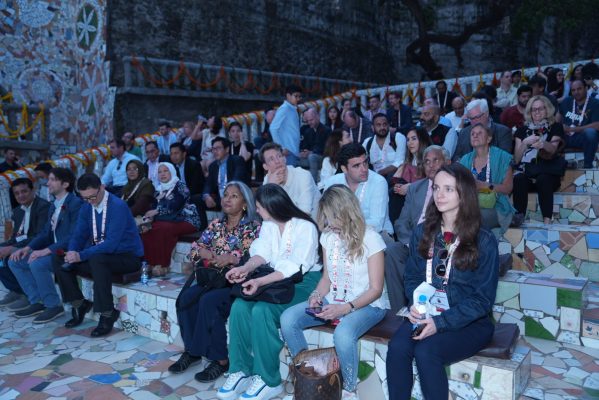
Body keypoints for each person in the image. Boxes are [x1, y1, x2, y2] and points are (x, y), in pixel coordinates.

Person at [386, 163, 499, 400]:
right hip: (429, 311)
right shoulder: (423, 231)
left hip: (470, 321)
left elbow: (482, 300)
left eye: (448, 189)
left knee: (427, 352)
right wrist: (417, 306)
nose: (439, 194)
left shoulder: (484, 240)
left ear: (463, 193)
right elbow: (413, 276)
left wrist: (441, 323)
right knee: (397, 348)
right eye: (436, 187)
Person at [280, 185, 388, 400]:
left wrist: (345, 309)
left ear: (346, 212)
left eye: (331, 218)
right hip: (336, 298)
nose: (328, 224)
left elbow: (376, 289)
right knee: (288, 318)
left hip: (368, 305)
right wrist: (316, 296)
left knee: (344, 334)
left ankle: (349, 389)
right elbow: (327, 279)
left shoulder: (371, 238)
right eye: (325, 218)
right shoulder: (328, 238)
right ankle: (308, 374)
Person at [216, 184, 322, 400]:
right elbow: (261, 252)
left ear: (273, 207)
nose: (258, 212)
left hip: (304, 284)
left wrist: (260, 281)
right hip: (275, 281)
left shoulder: (305, 226)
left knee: (262, 310)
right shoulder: (269, 224)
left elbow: (296, 266)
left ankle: (268, 380)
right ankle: (240, 370)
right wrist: (244, 268)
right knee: (239, 306)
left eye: (260, 208)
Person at [169, 181, 261, 382]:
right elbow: (195, 249)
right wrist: (205, 253)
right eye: (226, 195)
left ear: (245, 203)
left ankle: (220, 360)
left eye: (234, 196)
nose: (227, 199)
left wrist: (229, 258)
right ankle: (193, 351)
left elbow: (248, 257)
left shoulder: (252, 227)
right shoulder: (216, 225)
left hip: (237, 284)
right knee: (186, 299)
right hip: (211, 279)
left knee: (209, 302)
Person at [54, 173, 144, 337]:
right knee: (59, 257)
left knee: (97, 258)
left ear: (102, 187)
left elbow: (111, 244)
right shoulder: (86, 207)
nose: (90, 201)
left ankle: (108, 313)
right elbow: (79, 235)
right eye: (85, 198)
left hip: (127, 257)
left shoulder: (118, 206)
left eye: (93, 196)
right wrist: (73, 252)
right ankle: (79, 303)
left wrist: (80, 256)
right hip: (102, 256)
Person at [7, 169, 82, 320]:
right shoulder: (54, 205)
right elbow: (45, 233)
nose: (48, 183)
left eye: (52, 179)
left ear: (66, 184)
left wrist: (45, 251)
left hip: (69, 252)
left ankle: (53, 305)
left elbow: (73, 236)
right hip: (55, 250)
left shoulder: (76, 204)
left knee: (37, 263)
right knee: (15, 261)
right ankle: (37, 301)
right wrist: (27, 248)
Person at [386, 146, 451, 313]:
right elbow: (401, 222)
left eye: (436, 160)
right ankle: (399, 310)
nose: (430, 165)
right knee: (392, 250)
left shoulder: (453, 189)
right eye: (427, 162)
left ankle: (426, 308)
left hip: (440, 243)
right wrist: (410, 242)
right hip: (413, 242)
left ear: (447, 162)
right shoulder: (416, 188)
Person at [512, 96, 565, 226]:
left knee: (543, 179)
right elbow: (517, 159)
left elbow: (553, 149)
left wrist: (543, 144)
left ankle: (547, 220)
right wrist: (524, 143)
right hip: (527, 172)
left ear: (547, 110)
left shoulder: (555, 127)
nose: (536, 112)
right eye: (533, 110)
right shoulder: (522, 130)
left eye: (540, 109)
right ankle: (519, 218)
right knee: (519, 179)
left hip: (547, 172)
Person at [141, 163, 202, 276]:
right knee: (147, 228)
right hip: (168, 221)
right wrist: (148, 217)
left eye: (166, 171)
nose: (162, 174)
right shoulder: (158, 189)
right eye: (160, 172)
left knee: (163, 228)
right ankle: (149, 263)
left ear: (172, 172)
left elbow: (175, 205)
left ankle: (162, 265)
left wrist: (157, 212)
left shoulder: (180, 186)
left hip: (187, 220)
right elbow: (152, 208)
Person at [323, 143, 393, 239]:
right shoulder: (332, 183)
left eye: (365, 162)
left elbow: (377, 224)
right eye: (356, 166)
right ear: (344, 169)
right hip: (340, 235)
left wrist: (344, 226)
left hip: (376, 236)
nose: (364, 169)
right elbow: (326, 217)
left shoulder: (378, 182)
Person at [0, 179, 50, 308]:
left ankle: (27, 295)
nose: (20, 195)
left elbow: (40, 236)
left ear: (33, 190)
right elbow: (17, 236)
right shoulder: (18, 211)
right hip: (23, 245)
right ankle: (16, 290)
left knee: (13, 257)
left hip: (39, 246)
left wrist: (12, 248)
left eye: (24, 191)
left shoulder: (43, 207)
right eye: (17, 193)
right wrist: (5, 246)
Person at [459, 124, 514, 232]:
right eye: (472, 134)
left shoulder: (502, 157)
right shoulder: (465, 160)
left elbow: (508, 188)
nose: (475, 136)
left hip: (496, 206)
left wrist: (484, 186)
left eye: (479, 133)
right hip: (470, 206)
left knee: (475, 220)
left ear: (489, 138)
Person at [261, 142, 321, 218]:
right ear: (265, 166)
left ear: (284, 158)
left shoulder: (303, 176)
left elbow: (305, 214)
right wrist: (271, 188)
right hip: (284, 225)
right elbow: (266, 216)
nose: (277, 161)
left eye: (279, 156)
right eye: (271, 159)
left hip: (311, 225)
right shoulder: (268, 180)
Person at [389, 127, 431, 223]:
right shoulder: (409, 161)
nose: (409, 143)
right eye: (408, 140)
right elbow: (395, 181)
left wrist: (410, 187)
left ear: (422, 139)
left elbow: (431, 182)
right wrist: (398, 187)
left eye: (414, 139)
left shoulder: (430, 159)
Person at [559, 80, 599, 169]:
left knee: (591, 132)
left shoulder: (595, 103)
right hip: (566, 137)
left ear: (586, 88)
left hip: (583, 138)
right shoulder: (566, 101)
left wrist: (572, 129)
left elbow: (597, 125)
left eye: (579, 89)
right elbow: (558, 119)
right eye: (573, 90)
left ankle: (588, 165)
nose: (576, 92)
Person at [203, 137, 249, 211]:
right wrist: (206, 196)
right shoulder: (213, 166)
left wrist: (226, 196)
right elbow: (208, 184)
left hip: (235, 194)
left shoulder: (237, 160)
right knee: (197, 200)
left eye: (218, 148)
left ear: (227, 149)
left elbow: (236, 181)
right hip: (220, 198)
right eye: (213, 149)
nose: (215, 151)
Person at [362, 113, 407, 177]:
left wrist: (380, 173)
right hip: (375, 179)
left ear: (388, 125)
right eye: (378, 125)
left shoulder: (398, 137)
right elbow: (361, 161)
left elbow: (400, 162)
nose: (382, 127)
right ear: (372, 127)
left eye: (384, 124)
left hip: (396, 178)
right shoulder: (367, 143)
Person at [269, 85, 303, 166]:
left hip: (293, 150)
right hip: (288, 151)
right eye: (296, 96)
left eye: (299, 97)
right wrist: (281, 148)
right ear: (288, 95)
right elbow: (273, 128)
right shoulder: (284, 109)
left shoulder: (292, 109)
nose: (298, 99)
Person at [299, 108, 331, 182]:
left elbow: (327, 148)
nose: (309, 122)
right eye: (308, 121)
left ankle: (313, 183)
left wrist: (311, 152)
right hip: (311, 155)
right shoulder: (308, 131)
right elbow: (305, 145)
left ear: (318, 117)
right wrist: (304, 152)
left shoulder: (327, 130)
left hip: (322, 156)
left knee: (312, 157)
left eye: (311, 120)